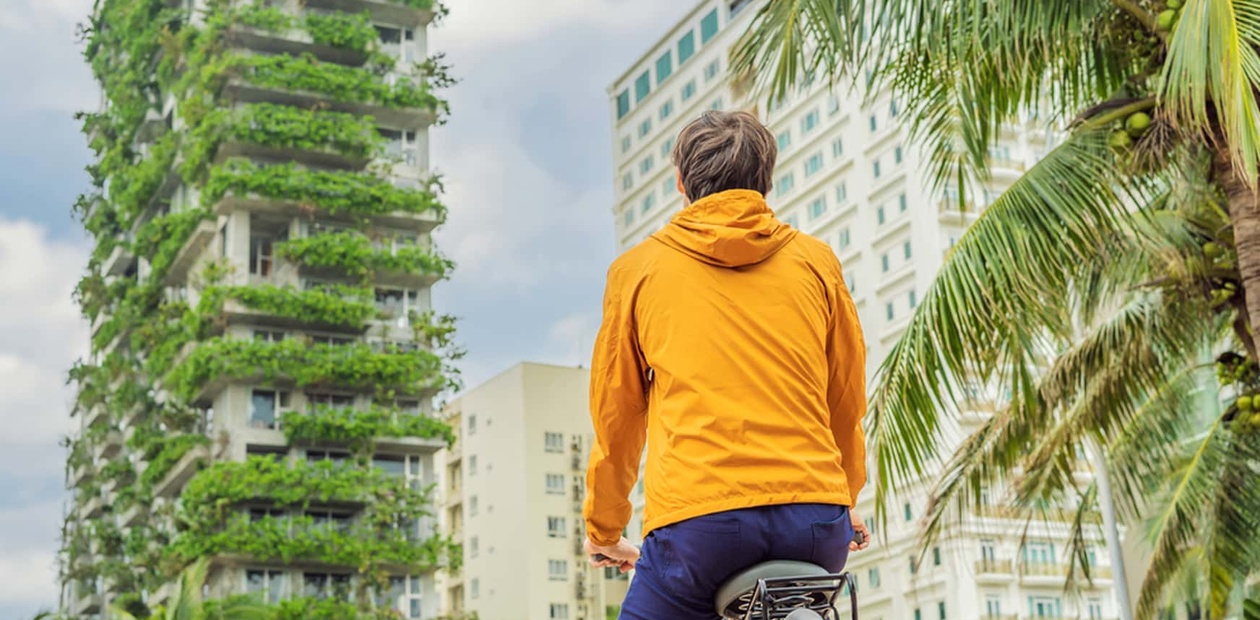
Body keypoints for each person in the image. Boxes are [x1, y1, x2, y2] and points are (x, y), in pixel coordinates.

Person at [582, 110, 871, 619]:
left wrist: (604, 531)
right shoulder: (815, 261)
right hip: (815, 523)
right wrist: (843, 497)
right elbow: (845, 395)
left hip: (700, 528)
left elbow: (618, 417)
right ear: (766, 181)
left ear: (680, 182)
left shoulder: (638, 271)